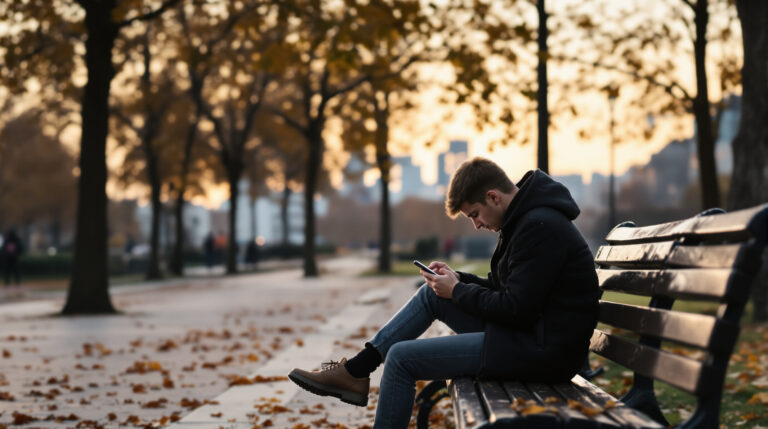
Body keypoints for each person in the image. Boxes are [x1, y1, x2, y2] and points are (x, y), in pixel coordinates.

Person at [288, 158, 600, 428]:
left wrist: (459, 291)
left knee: (400, 359)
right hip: (528, 338)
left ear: (493, 197)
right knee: (432, 294)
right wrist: (456, 279)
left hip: (543, 353)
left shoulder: (538, 226)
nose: (476, 225)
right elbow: (506, 290)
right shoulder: (526, 220)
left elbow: (517, 309)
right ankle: (357, 370)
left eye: (474, 214)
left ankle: (356, 373)